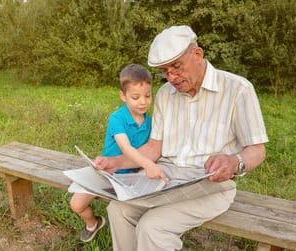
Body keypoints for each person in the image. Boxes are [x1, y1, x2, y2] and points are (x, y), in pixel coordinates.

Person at [94, 25, 269, 251]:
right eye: (165, 72)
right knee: (118, 210)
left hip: (210, 184)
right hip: (166, 179)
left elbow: (257, 150)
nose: (172, 77)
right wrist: (115, 162)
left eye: (176, 67)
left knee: (152, 227)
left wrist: (234, 162)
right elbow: (154, 148)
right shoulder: (167, 94)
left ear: (197, 55)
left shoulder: (238, 89)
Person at [69, 64, 156, 242]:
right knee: (76, 204)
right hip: (108, 172)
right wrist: (148, 164)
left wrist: (145, 167)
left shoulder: (152, 122)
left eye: (147, 96)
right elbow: (125, 148)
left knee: (136, 212)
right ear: (123, 96)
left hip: (132, 177)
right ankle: (93, 223)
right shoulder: (117, 118)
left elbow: (152, 150)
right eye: (135, 97)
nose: (143, 102)